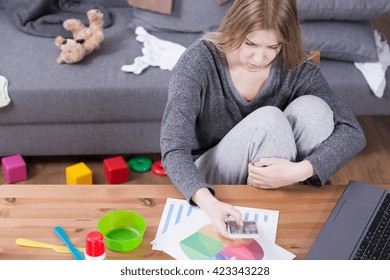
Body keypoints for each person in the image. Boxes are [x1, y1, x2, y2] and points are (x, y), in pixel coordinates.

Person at [160, 0, 366, 238]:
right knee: (269, 119)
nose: (259, 58)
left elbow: (352, 131)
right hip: (211, 176)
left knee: (316, 110)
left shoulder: (295, 68)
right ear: (233, 27)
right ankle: (279, 222)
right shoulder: (199, 61)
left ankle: (276, 220)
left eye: (273, 47)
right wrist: (210, 203)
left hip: (279, 176)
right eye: (250, 43)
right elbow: (173, 149)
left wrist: (299, 171)